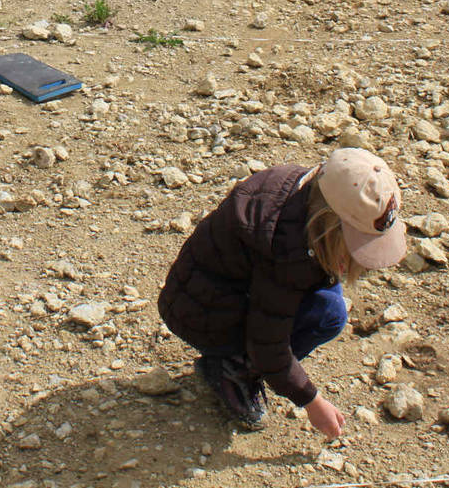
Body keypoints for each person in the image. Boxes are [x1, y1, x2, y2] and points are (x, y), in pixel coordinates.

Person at [157, 148, 406, 435]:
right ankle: (232, 367)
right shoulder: (288, 252)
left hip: (214, 286)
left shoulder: (308, 190)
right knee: (328, 315)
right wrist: (311, 400)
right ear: (329, 224)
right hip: (200, 312)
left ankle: (241, 358)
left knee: (327, 300)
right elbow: (269, 342)